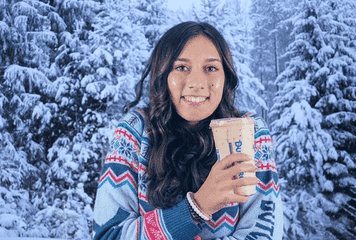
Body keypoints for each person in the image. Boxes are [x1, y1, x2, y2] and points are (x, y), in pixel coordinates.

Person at [93, 21, 283, 240]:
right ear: (162, 74)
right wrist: (198, 206)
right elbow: (109, 235)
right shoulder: (135, 131)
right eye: (181, 67)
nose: (197, 83)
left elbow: (265, 233)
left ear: (226, 77)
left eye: (211, 68)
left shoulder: (248, 132)